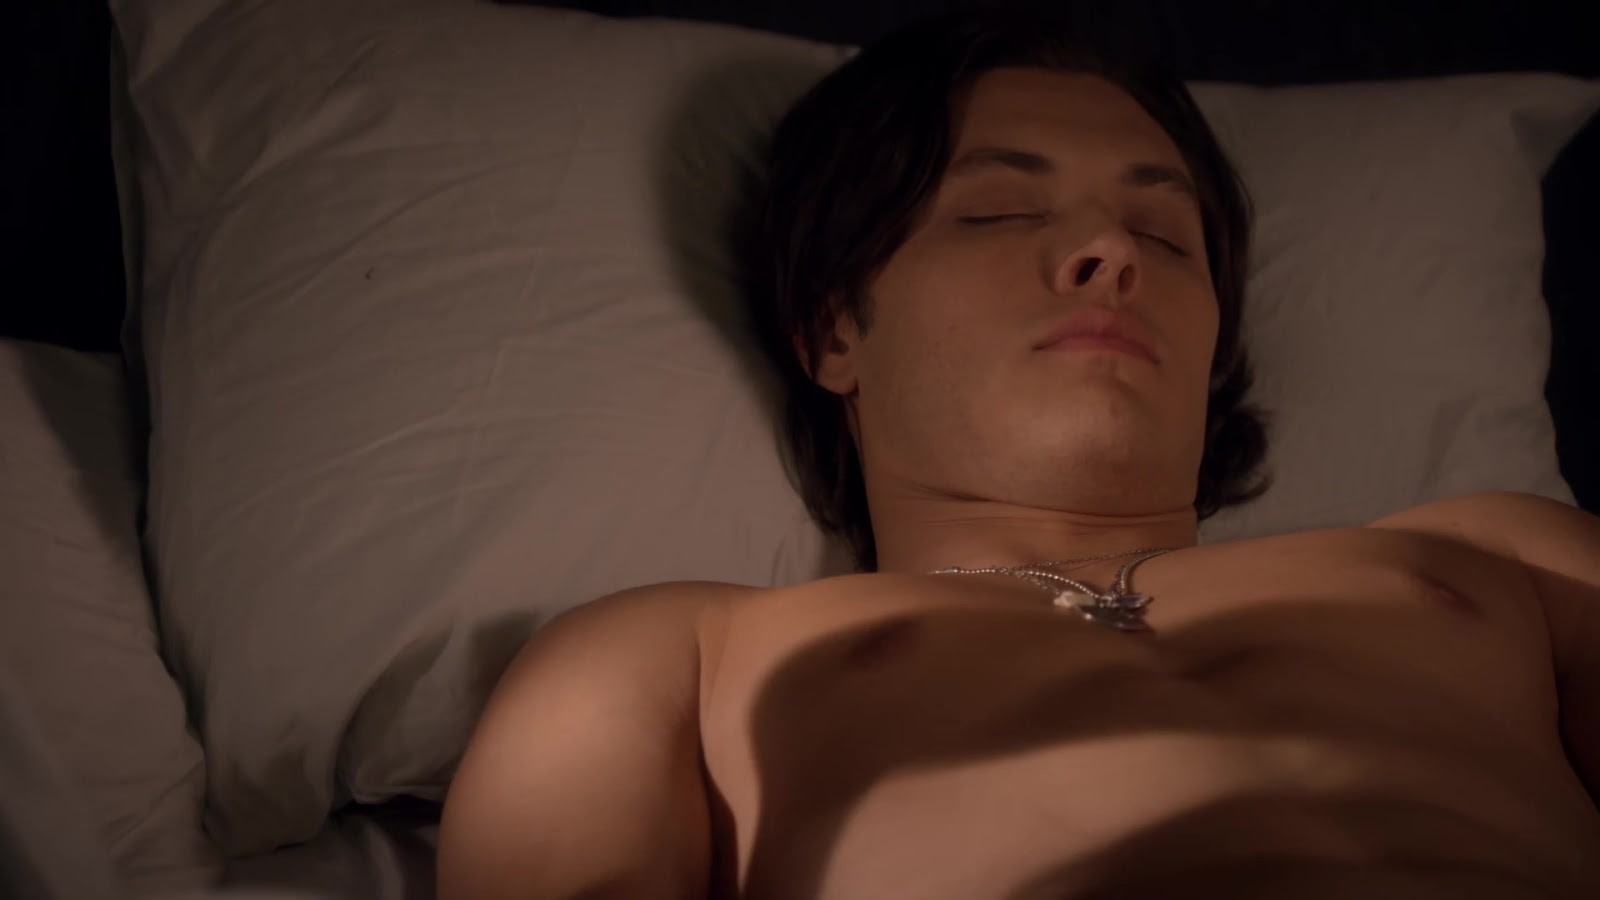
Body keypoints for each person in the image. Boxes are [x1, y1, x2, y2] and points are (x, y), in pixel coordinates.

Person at [437, 8, 1600, 898]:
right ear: (835, 329)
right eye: (996, 212)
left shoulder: (1505, 557)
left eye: (1163, 234)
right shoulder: (673, 657)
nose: (1109, 252)